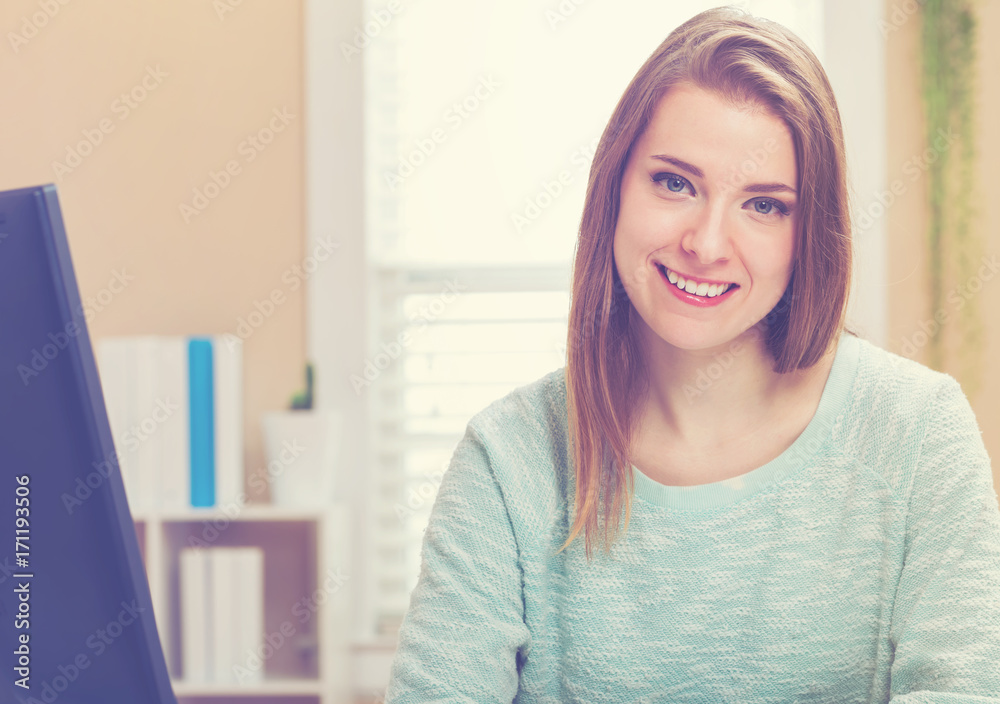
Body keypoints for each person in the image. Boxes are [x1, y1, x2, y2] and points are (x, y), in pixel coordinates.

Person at [384, 6, 1000, 703]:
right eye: (675, 183)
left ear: (809, 234)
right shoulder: (508, 458)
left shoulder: (918, 434)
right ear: (615, 187)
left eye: (764, 205)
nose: (706, 244)